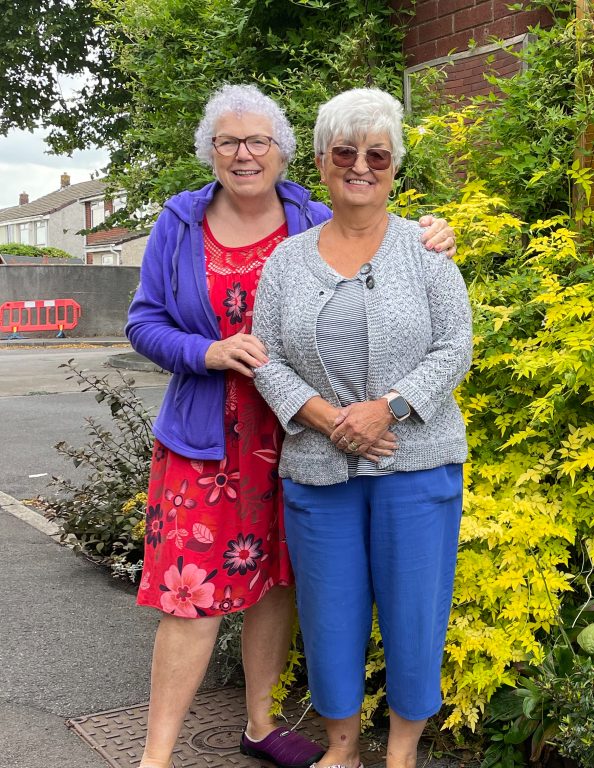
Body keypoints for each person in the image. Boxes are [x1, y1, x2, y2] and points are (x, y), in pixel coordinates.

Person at [125, 83, 457, 768]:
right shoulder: (185, 223)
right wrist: (211, 353)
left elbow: (436, 316)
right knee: (196, 594)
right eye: (228, 142)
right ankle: (155, 757)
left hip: (298, 444)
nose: (243, 154)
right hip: (222, 435)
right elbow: (148, 322)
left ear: (283, 154)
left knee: (279, 585)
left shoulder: (319, 213)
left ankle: (260, 723)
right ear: (210, 151)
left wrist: (436, 234)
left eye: (257, 142)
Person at [251, 87, 472, 768]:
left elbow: (455, 344)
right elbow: (266, 357)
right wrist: (324, 417)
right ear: (321, 162)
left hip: (417, 464)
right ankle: (341, 749)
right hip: (319, 472)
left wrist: (390, 407)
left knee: (414, 616)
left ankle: (401, 753)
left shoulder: (426, 249)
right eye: (345, 152)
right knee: (330, 617)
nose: (361, 166)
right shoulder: (287, 261)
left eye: (377, 154)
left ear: (394, 165)